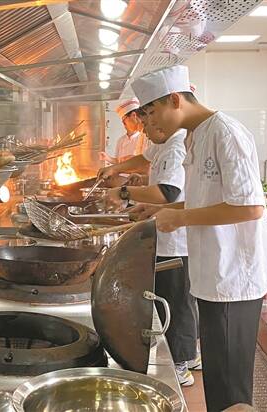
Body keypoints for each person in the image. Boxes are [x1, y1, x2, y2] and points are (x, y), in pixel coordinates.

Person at [129, 65, 267, 411]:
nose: (150, 124)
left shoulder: (226, 132)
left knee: (230, 388)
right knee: (218, 379)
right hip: (214, 274)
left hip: (235, 277)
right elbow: (206, 199)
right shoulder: (195, 135)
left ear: (174, 99)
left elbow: (250, 208)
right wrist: (161, 209)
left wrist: (180, 217)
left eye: (151, 113)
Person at [103, 122, 200, 387]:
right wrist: (120, 171)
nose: (144, 128)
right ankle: (190, 355)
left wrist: (124, 192)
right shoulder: (164, 142)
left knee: (175, 302)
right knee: (181, 300)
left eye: (148, 118)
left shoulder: (176, 146)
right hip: (168, 234)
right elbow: (146, 161)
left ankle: (180, 364)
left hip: (175, 241)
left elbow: (168, 192)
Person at [103, 98, 148, 164]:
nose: (124, 124)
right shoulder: (121, 140)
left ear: (134, 115)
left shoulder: (146, 136)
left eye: (124, 120)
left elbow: (142, 162)